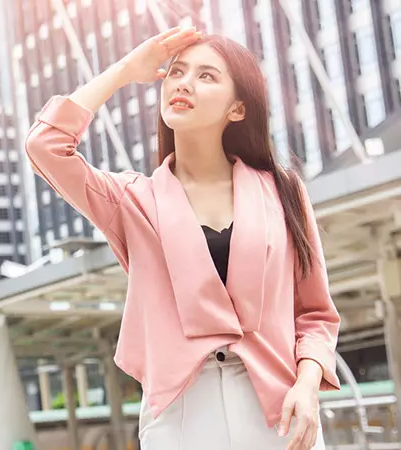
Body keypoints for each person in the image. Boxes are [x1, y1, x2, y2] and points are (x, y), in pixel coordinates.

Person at [24, 26, 341, 450]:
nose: (184, 83)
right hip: (180, 413)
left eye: (207, 76)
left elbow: (315, 314)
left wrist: (307, 385)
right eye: (176, 72)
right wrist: (124, 71)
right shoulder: (132, 200)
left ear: (238, 109)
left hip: (279, 407)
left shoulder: (282, 191)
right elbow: (46, 145)